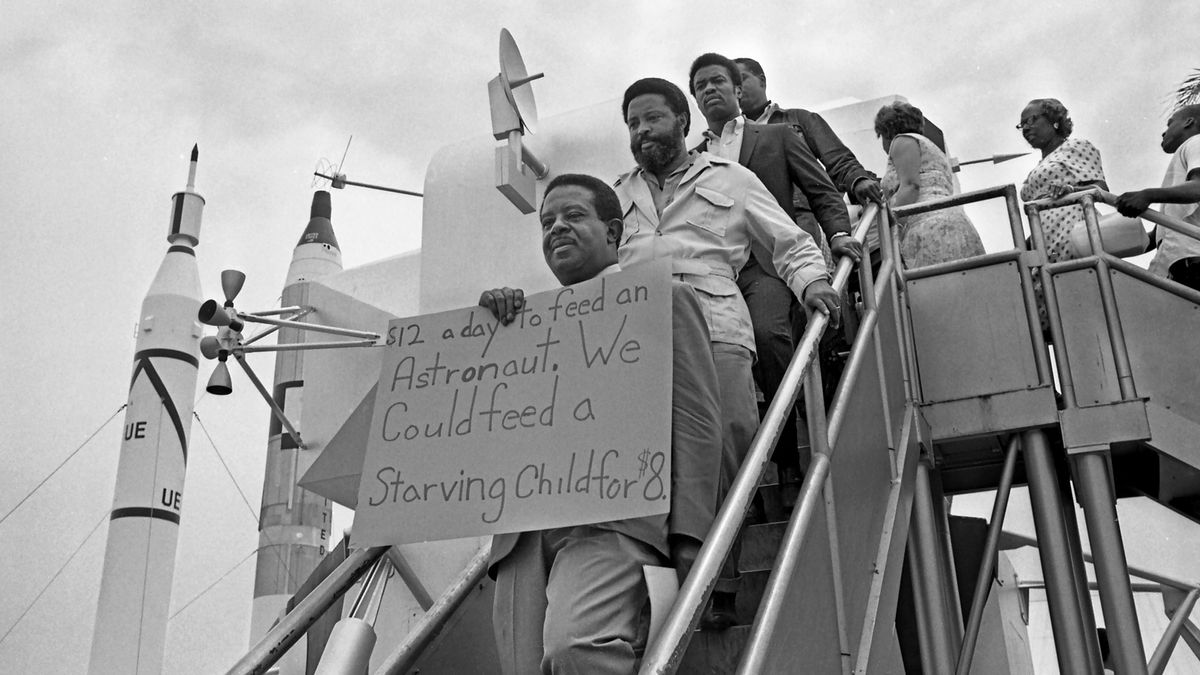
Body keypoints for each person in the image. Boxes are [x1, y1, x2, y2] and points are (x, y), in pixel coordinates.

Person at [480, 173, 724, 675]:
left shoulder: (664, 300)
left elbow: (697, 419)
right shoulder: (521, 324)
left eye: (573, 216)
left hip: (614, 518)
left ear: (613, 232)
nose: (556, 229)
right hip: (524, 534)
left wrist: (691, 534)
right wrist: (488, 335)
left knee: (579, 649)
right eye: (547, 222)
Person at [619, 76, 835, 627]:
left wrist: (811, 282)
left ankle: (717, 585)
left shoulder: (732, 178)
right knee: (645, 461)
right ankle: (656, 592)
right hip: (635, 341)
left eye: (653, 118)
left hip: (715, 326)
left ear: (683, 123)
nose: (643, 131)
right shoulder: (616, 194)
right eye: (633, 123)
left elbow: (787, 242)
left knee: (725, 453)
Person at [688, 52, 852, 488]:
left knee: (768, 336)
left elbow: (822, 191)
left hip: (768, 265)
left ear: (737, 89)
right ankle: (760, 465)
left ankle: (787, 446)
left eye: (718, 81)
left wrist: (837, 235)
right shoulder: (691, 161)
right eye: (701, 85)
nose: (710, 89)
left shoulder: (777, 135)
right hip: (717, 275)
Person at [733, 56, 883, 208]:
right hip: (751, 221)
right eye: (732, 84)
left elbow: (837, 158)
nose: (737, 88)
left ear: (762, 81)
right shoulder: (731, 135)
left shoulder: (799, 119)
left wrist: (858, 180)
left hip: (800, 221)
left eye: (741, 80)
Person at [875, 101, 986, 268]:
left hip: (926, 227)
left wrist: (892, 227)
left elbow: (911, 186)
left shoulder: (902, 141)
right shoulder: (932, 149)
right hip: (955, 222)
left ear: (886, 131)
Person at [1116, 104, 1200, 292]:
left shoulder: (1196, 142)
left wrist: (1148, 195)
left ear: (1188, 122)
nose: (1164, 133)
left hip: (1192, 263)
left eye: (1170, 124)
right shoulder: (1182, 163)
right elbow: (1159, 235)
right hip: (1178, 263)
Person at [1018, 98, 1109, 263]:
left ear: (1054, 120)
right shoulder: (1040, 165)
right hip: (1045, 241)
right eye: (1022, 125)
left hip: (1074, 233)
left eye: (1031, 120)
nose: (1025, 128)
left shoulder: (1076, 146)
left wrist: (1070, 190)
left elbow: (1101, 188)